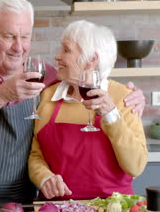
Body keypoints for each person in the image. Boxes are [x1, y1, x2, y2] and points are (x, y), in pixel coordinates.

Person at [0, 0, 145, 200]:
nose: (19, 47)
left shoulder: (45, 74)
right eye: (9, 36)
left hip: (24, 197)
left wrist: (130, 97)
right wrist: (1, 95)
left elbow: (87, 76)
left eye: (25, 37)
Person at [28, 20, 148, 200]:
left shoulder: (125, 97)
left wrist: (111, 116)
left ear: (91, 59)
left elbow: (136, 166)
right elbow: (36, 155)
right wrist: (44, 178)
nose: (58, 57)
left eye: (66, 50)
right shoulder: (47, 96)